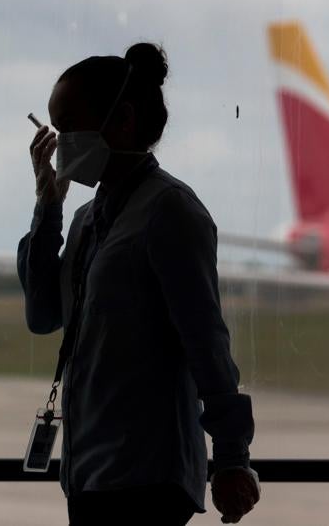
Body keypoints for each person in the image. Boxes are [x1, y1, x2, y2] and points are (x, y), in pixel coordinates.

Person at [17, 42, 260, 525]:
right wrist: (49, 206)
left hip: (144, 478)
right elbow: (43, 314)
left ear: (123, 119)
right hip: (90, 473)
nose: (60, 144)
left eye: (69, 128)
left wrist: (231, 457)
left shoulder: (169, 211)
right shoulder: (90, 219)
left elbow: (206, 342)